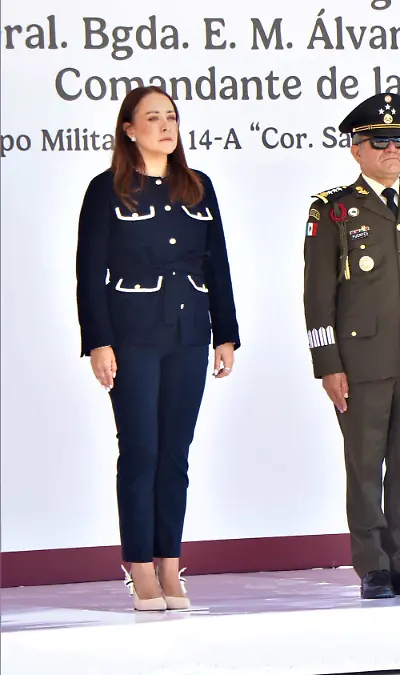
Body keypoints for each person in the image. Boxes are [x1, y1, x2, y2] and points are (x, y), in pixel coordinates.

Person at [75, 85, 240, 611]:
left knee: (175, 453)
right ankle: (139, 566)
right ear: (129, 130)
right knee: (141, 450)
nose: (166, 126)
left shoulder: (198, 186)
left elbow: (217, 265)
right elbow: (89, 273)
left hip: (188, 335)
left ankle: (171, 562)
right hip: (132, 338)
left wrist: (226, 333)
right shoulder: (106, 190)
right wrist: (98, 341)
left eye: (171, 116)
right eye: (153, 118)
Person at [303, 93, 400, 599]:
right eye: (380, 141)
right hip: (362, 361)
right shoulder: (334, 210)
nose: (392, 149)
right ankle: (372, 563)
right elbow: (318, 293)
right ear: (357, 150)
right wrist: (327, 362)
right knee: (365, 464)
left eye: (399, 140)